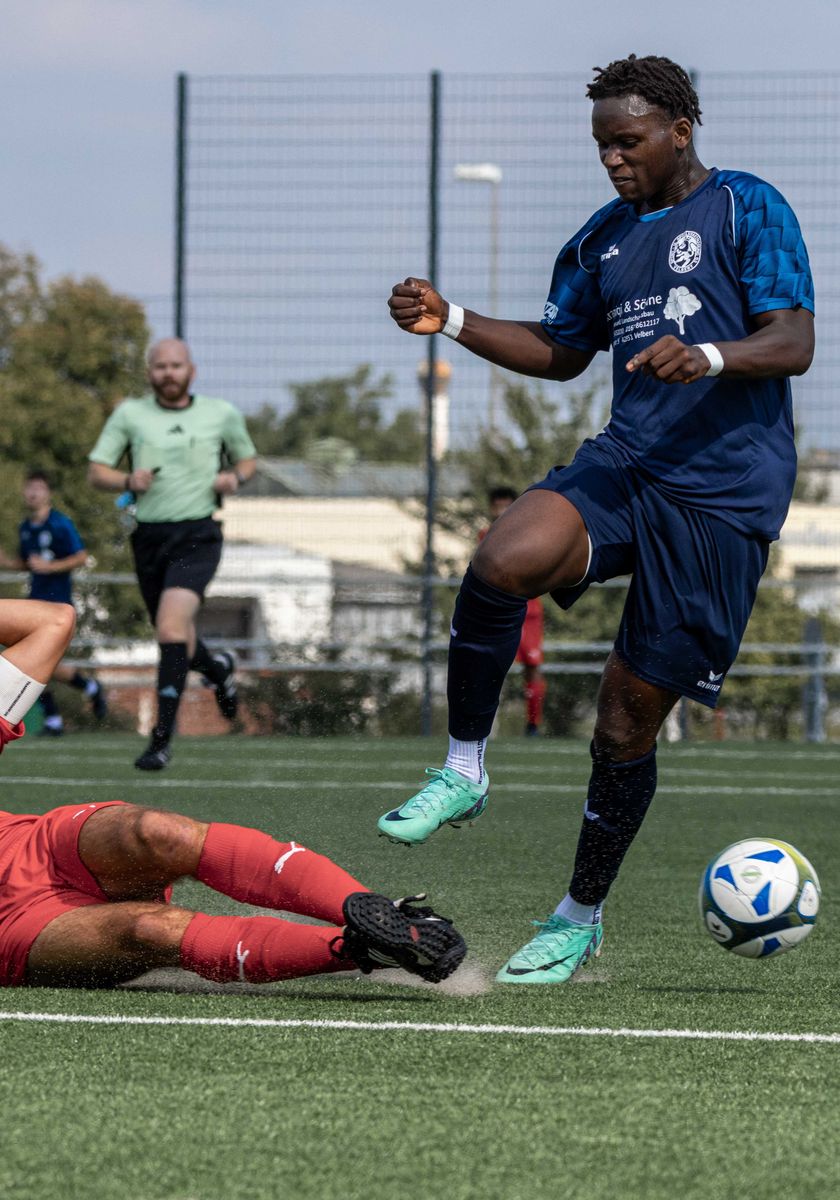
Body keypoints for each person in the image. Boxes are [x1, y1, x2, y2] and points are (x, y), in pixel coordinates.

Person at [379, 54, 815, 984]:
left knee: (623, 723)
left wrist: (707, 356)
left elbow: (794, 340)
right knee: (503, 556)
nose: (613, 160)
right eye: (601, 146)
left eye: (628, 141)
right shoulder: (601, 239)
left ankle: (577, 916)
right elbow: (561, 350)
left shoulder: (747, 207)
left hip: (722, 498)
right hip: (628, 461)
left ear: (679, 131)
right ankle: (465, 768)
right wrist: (451, 317)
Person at [0, 598, 466, 989]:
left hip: (35, 848)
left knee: (158, 832)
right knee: (149, 930)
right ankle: (367, 950)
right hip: (16, 926)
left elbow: (52, 621)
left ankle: (379, 914)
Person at [87, 338, 258, 772]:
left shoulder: (220, 413)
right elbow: (97, 472)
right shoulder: (130, 414)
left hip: (198, 534)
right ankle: (217, 666)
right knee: (173, 631)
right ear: (150, 373)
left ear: (191, 371)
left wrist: (233, 477)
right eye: (160, 366)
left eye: (176, 365)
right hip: (148, 537)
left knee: (169, 624)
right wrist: (128, 479)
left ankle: (160, 740)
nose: (168, 373)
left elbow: (248, 461)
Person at [0, 470, 107, 735]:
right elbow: (28, 564)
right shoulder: (26, 527)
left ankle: (74, 700)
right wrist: (7, 563)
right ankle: (58, 714)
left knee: (39, 661)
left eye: (38, 487)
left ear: (47, 493)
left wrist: (52, 566)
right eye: (30, 487)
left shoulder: (60, 523)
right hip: (33, 600)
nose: (33, 493)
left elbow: (81, 556)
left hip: (57, 603)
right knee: (30, 661)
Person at [480, 487, 546, 736]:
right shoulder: (486, 536)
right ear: (492, 508)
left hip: (528, 612)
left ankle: (533, 724)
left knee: (532, 666)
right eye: (498, 506)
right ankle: (484, 723)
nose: (503, 511)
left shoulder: (530, 535)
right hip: (497, 611)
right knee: (490, 666)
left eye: (508, 505)